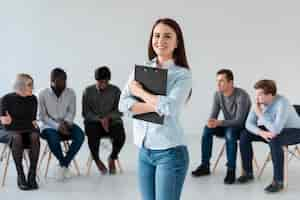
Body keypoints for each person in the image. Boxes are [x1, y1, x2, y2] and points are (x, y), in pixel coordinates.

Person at [119, 18, 192, 200]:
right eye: (157, 35)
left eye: (167, 36)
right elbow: (123, 105)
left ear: (177, 43)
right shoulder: (142, 70)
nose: (160, 40)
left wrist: (140, 92)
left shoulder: (182, 75)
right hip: (144, 152)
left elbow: (171, 108)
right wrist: (157, 105)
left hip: (170, 153)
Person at [237, 79, 300, 193]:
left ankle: (278, 182)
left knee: (274, 139)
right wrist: (261, 133)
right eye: (256, 94)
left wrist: (259, 113)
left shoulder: (282, 102)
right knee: (245, 134)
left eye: (260, 94)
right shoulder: (259, 102)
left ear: (270, 95)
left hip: (294, 130)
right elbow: (248, 124)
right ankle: (248, 172)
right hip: (272, 129)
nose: (256, 98)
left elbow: (276, 129)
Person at [191, 69, 251, 184]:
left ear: (230, 82)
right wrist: (211, 122)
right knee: (207, 129)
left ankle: (231, 170)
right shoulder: (218, 95)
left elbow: (239, 121)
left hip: (241, 128)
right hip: (227, 125)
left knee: (230, 133)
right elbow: (213, 115)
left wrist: (219, 123)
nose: (218, 84)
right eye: (217, 81)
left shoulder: (242, 95)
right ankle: (205, 166)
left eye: (221, 81)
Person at [38, 68, 84, 181]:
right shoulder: (42, 94)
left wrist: (67, 123)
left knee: (80, 135)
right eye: (61, 80)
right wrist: (57, 126)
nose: (64, 82)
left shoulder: (70, 93)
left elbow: (71, 112)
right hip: (48, 125)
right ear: (52, 81)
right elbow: (42, 116)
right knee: (53, 137)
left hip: (66, 123)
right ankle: (64, 165)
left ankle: (63, 165)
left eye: (65, 79)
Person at [82, 66, 126, 175]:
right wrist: (100, 119)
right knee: (91, 131)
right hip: (94, 123)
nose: (102, 84)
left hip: (111, 122)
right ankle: (97, 160)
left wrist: (108, 118)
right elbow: (85, 113)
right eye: (100, 81)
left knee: (120, 134)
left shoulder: (115, 91)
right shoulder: (88, 91)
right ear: (96, 80)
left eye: (105, 82)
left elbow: (120, 111)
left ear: (108, 80)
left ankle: (112, 157)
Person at [0, 74, 40, 190]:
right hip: (6, 131)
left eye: (32, 84)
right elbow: (6, 125)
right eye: (29, 85)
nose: (32, 87)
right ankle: (20, 175)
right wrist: (9, 121)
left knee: (35, 136)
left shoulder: (33, 99)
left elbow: (32, 122)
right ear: (20, 86)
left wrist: (14, 122)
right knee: (17, 137)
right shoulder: (6, 99)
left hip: (24, 130)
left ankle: (32, 175)